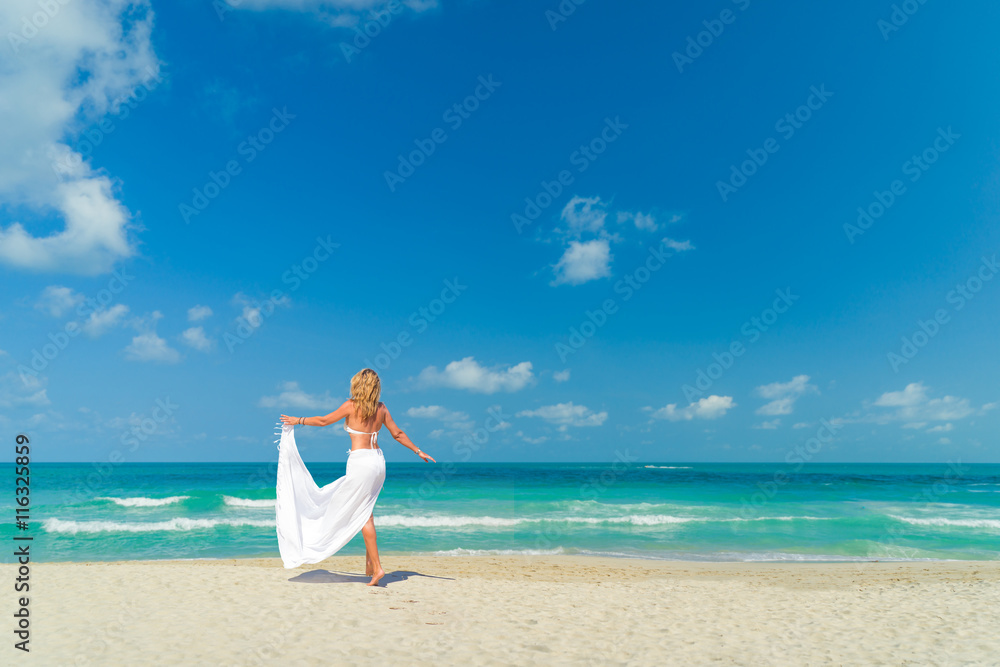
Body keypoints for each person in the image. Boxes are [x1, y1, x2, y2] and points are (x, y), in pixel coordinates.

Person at [279, 368, 435, 586]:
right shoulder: (381, 409)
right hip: (378, 462)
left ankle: (378, 568)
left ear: (357, 385)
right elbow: (397, 433)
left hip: (361, 463)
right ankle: (370, 566)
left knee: (363, 515)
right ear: (375, 387)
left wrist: (299, 420)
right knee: (366, 509)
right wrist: (418, 451)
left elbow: (324, 421)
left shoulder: (351, 406)